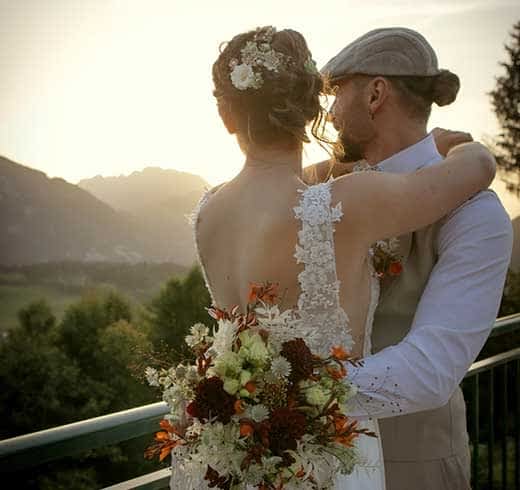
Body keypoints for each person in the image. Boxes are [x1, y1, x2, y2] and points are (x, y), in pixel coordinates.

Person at [172, 26, 500, 489]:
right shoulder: (339, 202)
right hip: (332, 456)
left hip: (245, 448)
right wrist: (465, 148)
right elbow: (479, 169)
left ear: (227, 117)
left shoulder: (209, 210)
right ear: (308, 111)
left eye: (336, 91)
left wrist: (249, 400)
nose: (329, 107)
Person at [298, 27, 512, 490]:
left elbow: (429, 371)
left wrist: (291, 391)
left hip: (413, 470)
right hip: (313, 468)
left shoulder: (475, 214)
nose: (330, 114)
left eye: (337, 93)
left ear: (375, 93)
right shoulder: (326, 191)